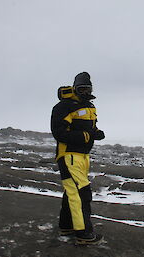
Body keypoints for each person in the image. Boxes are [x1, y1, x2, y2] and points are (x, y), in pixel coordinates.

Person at [51, 72, 105, 245]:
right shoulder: (63, 106)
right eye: (81, 89)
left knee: (71, 192)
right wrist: (85, 137)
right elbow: (59, 133)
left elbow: (89, 128)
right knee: (81, 193)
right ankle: (84, 234)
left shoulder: (89, 106)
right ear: (74, 88)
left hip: (82, 156)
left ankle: (66, 226)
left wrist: (95, 133)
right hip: (69, 156)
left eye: (87, 89)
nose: (85, 92)